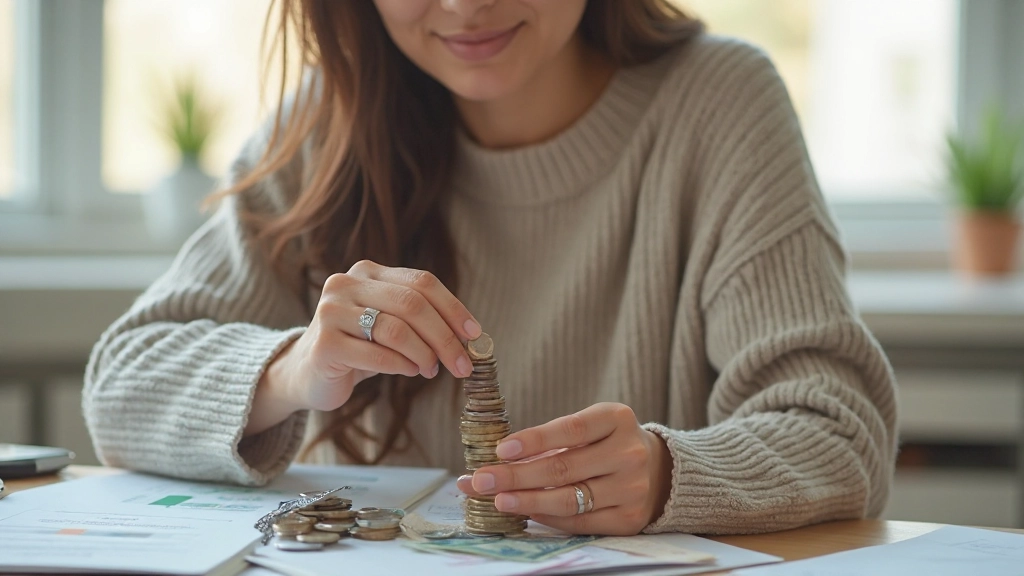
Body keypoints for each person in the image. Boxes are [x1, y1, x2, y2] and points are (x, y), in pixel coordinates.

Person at [84, 0, 897, 537]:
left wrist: (667, 476)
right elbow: (119, 389)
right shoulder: (327, 127)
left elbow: (838, 432)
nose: (466, 5)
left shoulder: (721, 105)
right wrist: (293, 369)